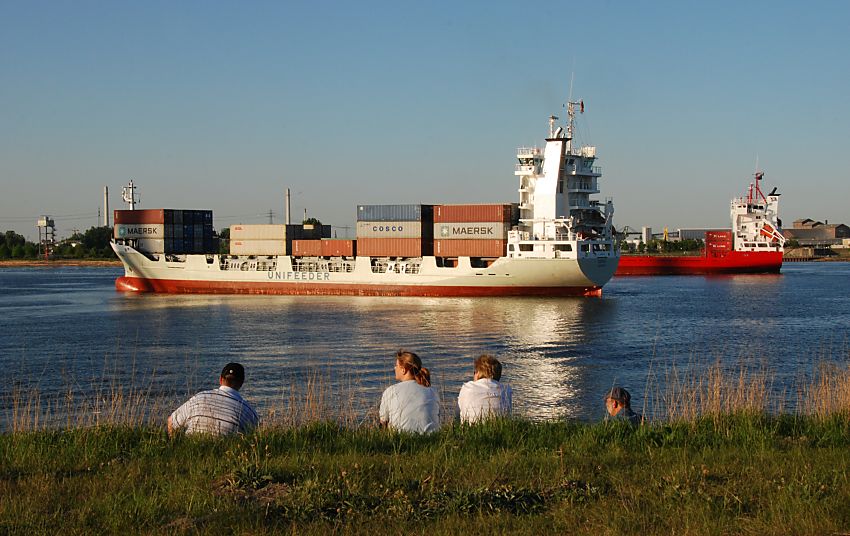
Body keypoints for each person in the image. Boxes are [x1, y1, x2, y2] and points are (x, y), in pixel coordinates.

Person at [167, 362, 259, 436]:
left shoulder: (198, 398)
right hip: (225, 456)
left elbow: (171, 421)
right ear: (242, 383)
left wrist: (173, 444)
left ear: (220, 379)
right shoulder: (249, 412)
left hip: (189, 452)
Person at [379, 350, 440, 433]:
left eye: (396, 365)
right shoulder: (433, 391)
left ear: (404, 370)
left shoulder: (391, 391)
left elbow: (383, 423)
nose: (394, 368)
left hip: (400, 440)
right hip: (432, 440)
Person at [457, 354, 512, 424]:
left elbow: (458, 417)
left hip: (471, 430)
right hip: (500, 431)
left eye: (474, 372)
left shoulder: (467, 388)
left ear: (477, 373)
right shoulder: (507, 390)